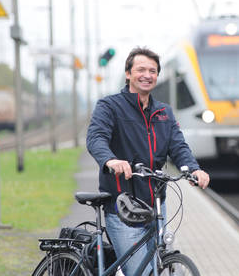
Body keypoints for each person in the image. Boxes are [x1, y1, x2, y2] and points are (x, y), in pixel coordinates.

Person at [86, 46, 210, 275]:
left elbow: (178, 146)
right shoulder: (110, 106)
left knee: (161, 267)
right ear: (128, 74)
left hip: (156, 205)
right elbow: (96, 138)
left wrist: (193, 169)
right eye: (141, 69)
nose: (147, 75)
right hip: (122, 206)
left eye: (152, 71)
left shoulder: (164, 112)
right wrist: (111, 160)